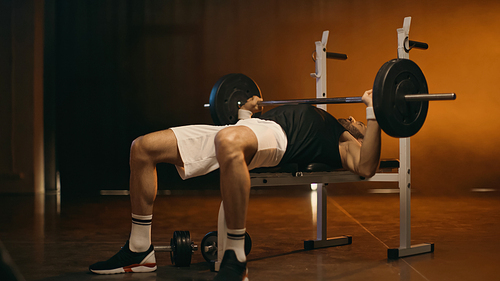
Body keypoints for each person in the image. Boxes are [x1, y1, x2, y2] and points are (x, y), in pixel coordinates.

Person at [89, 89, 381, 280]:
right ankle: (140, 249)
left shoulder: (342, 142)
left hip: (278, 140)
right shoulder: (324, 117)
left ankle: (236, 257)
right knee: (142, 147)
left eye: (362, 125)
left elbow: (367, 167)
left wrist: (374, 113)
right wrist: (246, 113)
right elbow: (250, 130)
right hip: (239, 130)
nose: (355, 119)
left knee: (228, 141)